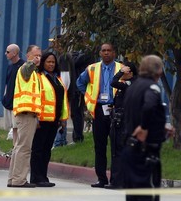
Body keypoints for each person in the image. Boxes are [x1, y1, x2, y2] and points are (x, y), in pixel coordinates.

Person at [121, 55, 172, 201]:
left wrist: (161, 130)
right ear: (158, 72)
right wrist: (144, 127)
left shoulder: (133, 87)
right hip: (145, 154)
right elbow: (150, 106)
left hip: (130, 152)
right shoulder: (152, 88)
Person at [76, 43, 123, 188]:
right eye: (104, 51)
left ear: (114, 53)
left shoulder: (121, 68)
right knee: (100, 146)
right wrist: (89, 97)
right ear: (100, 53)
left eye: (109, 50)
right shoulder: (92, 68)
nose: (106, 53)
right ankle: (101, 179)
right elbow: (80, 83)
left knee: (116, 146)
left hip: (116, 110)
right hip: (99, 110)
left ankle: (116, 179)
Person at [29, 51, 68, 187]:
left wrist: (63, 119)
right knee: (38, 149)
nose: (51, 64)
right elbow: (35, 98)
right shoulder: (38, 77)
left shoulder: (57, 78)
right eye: (48, 62)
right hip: (42, 120)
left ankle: (43, 176)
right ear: (43, 63)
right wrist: (36, 117)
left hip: (54, 120)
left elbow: (62, 100)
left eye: (53, 62)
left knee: (46, 150)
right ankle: (35, 177)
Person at [7, 45, 42, 188]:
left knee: (19, 147)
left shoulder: (33, 72)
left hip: (27, 113)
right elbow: (27, 69)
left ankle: (13, 178)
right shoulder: (25, 69)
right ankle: (19, 180)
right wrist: (32, 63)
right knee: (24, 148)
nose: (38, 58)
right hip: (26, 113)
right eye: (35, 55)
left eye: (40, 56)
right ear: (27, 56)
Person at [107, 61, 137, 189]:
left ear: (129, 72)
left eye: (123, 70)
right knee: (117, 151)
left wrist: (119, 73)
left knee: (118, 152)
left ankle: (118, 182)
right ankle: (117, 180)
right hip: (120, 121)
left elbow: (113, 82)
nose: (120, 73)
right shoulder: (127, 85)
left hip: (123, 124)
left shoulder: (131, 84)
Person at [2, 44, 24, 142]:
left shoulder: (23, 66)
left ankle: (17, 147)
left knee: (18, 127)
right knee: (13, 127)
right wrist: (5, 97)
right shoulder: (9, 67)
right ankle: (15, 148)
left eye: (7, 52)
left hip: (18, 102)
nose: (5, 54)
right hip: (9, 101)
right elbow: (7, 83)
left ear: (14, 53)